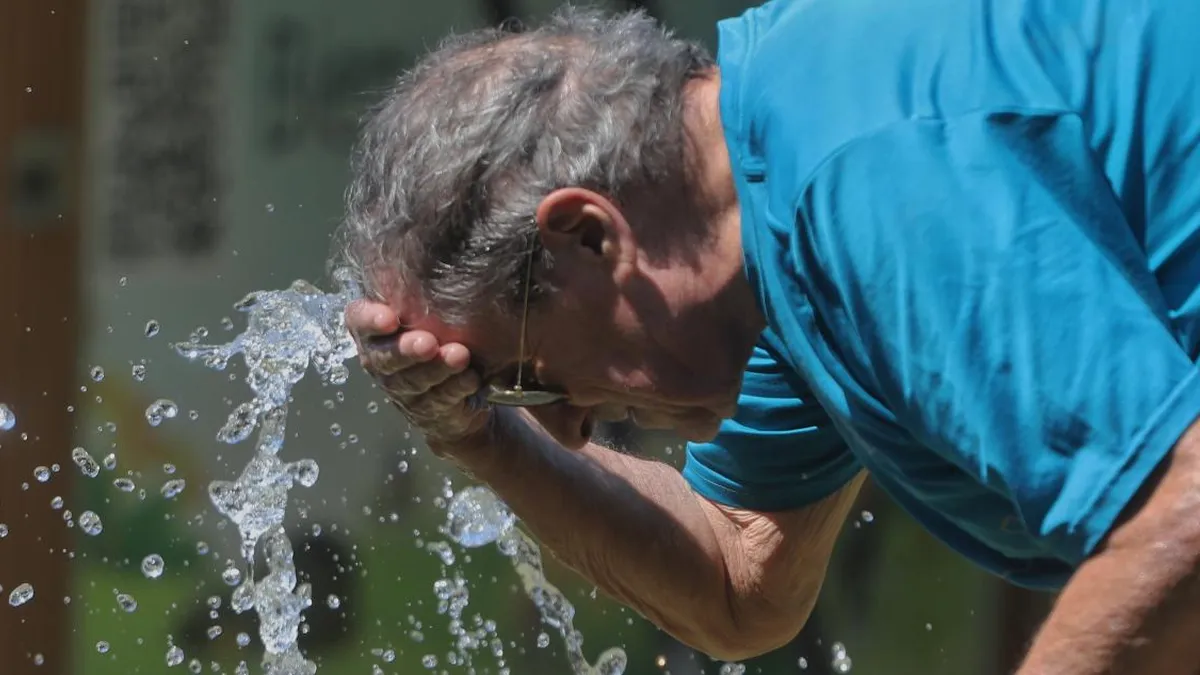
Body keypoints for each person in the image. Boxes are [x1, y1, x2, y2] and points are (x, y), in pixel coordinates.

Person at [337, 1, 1200, 672]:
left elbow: (1182, 512)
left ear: (590, 237)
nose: (568, 426)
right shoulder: (771, 212)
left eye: (528, 380)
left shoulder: (868, 180)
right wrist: (481, 436)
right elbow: (737, 581)